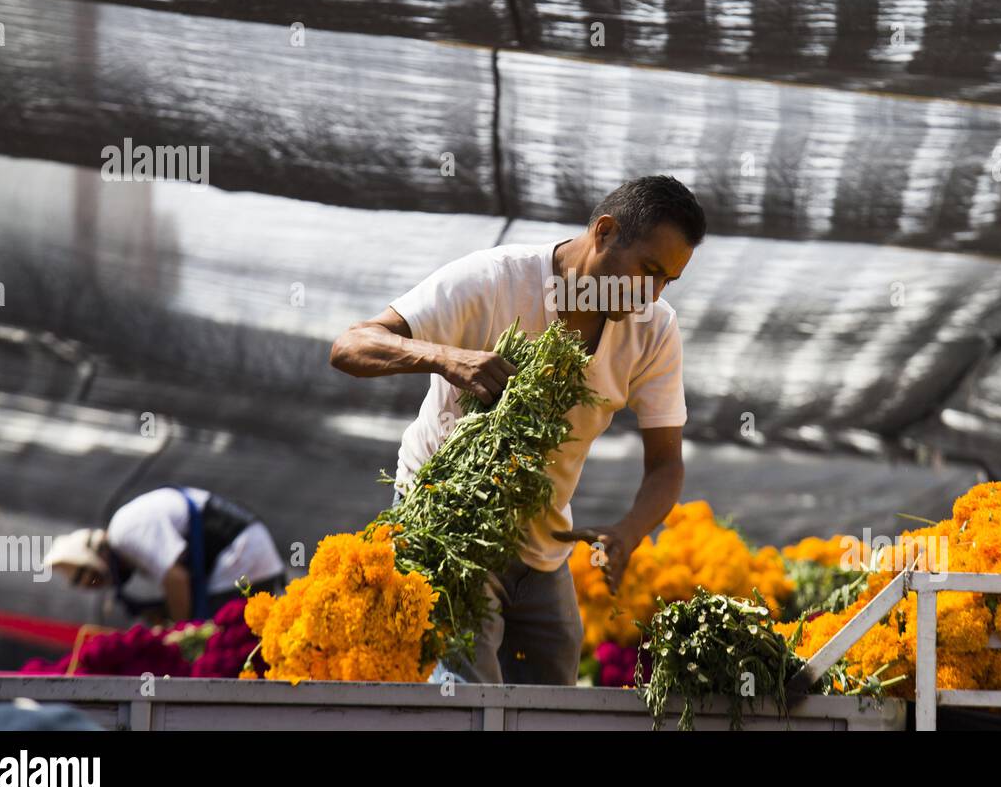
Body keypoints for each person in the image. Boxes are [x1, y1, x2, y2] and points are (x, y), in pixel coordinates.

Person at [330, 174, 705, 685]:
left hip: (543, 540)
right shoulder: (494, 280)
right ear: (605, 231)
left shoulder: (655, 329)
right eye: (649, 271)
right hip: (448, 523)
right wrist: (447, 358)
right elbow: (351, 345)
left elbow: (667, 465)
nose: (652, 294)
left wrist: (628, 531)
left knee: (554, 687)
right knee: (468, 697)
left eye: (668, 281)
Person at [45, 484, 286, 624]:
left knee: (220, 638)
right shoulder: (127, 533)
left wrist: (179, 634)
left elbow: (176, 578)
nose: (93, 584)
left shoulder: (124, 532)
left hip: (242, 555)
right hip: (246, 551)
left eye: (88, 576)